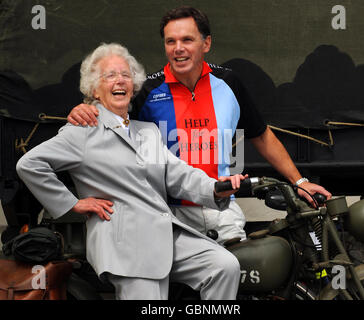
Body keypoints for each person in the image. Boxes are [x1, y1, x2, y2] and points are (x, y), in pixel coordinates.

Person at [66, 6, 332, 245]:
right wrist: (87, 107)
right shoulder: (146, 89)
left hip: (223, 210)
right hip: (169, 215)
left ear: (206, 43)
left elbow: (260, 135)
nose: (178, 48)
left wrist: (300, 181)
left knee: (234, 283)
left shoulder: (229, 82)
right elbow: (112, 122)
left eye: (187, 40)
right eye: (171, 41)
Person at [16, 43, 245, 300]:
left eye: (125, 75)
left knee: (224, 266)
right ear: (94, 89)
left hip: (166, 234)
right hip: (126, 246)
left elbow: (178, 175)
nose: (120, 81)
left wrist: (216, 188)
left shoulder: (146, 131)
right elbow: (30, 164)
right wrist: (73, 204)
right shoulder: (81, 131)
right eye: (110, 75)